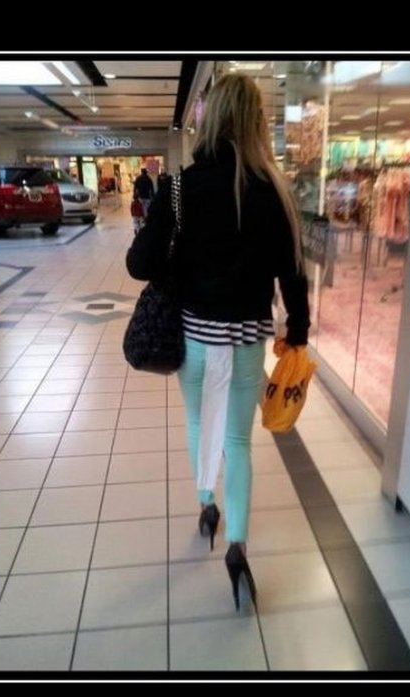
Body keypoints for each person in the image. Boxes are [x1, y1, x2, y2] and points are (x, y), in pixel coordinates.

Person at [126, 73, 309, 610]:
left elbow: (139, 264)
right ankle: (238, 549)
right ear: (255, 123)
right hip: (248, 339)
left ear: (210, 118)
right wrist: (298, 332)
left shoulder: (179, 187)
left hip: (194, 337)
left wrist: (177, 251)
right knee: (238, 442)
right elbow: (293, 275)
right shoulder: (274, 191)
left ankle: (207, 504)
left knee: (195, 422)